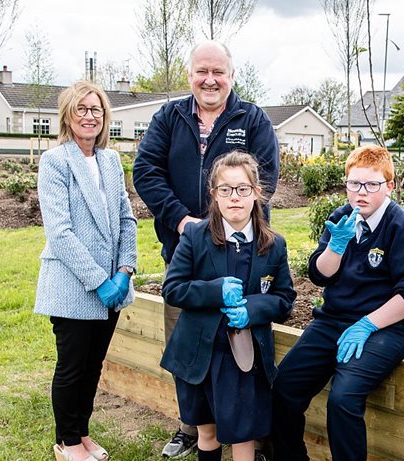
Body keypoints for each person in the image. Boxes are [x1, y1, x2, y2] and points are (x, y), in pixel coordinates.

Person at [132, 40, 280, 458]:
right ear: (190, 75)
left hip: (240, 254)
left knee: (237, 352)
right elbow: (145, 171)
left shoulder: (251, 120)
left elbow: (263, 181)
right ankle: (191, 427)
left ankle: (247, 432)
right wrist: (183, 221)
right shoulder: (170, 116)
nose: (210, 80)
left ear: (232, 75)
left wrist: (231, 229)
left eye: (219, 72)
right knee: (188, 349)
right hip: (184, 250)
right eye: (202, 71)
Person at [272, 146, 404, 461]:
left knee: (343, 398)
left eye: (372, 185)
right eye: (354, 184)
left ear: (389, 185)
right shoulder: (341, 218)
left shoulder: (403, 228)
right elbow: (320, 275)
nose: (362, 192)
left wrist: (368, 324)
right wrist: (337, 245)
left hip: (387, 326)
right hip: (333, 320)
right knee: (283, 388)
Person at [161, 151, 296, 461]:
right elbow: (173, 288)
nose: (234, 197)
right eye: (225, 189)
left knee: (242, 433)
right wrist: (213, 291)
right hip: (200, 354)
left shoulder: (274, 244)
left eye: (242, 189)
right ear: (214, 195)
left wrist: (253, 308)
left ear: (256, 193)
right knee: (207, 432)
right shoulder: (196, 235)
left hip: (243, 358)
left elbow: (284, 298)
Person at [35, 81, 137, 461]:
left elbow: (128, 219)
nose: (89, 116)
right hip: (72, 286)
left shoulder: (110, 161)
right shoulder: (55, 162)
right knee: (72, 368)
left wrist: (125, 271)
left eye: (96, 109)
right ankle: (67, 441)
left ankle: (83, 433)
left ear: (105, 116)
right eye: (82, 109)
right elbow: (59, 232)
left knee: (93, 367)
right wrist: (99, 281)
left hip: (114, 284)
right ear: (68, 115)